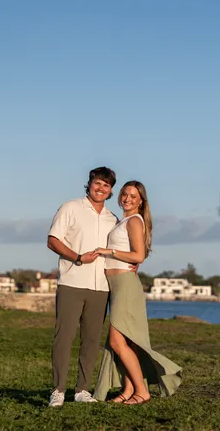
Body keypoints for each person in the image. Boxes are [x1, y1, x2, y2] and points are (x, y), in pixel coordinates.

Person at [92, 180, 183, 405]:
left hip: (125, 286)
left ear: (141, 201)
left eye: (133, 196)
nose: (128, 199)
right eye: (125, 194)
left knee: (116, 341)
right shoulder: (122, 220)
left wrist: (108, 251)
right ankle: (128, 390)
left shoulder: (134, 220)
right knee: (129, 341)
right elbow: (135, 254)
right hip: (117, 285)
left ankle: (142, 391)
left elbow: (138, 256)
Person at [46, 166, 127, 407]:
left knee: (91, 340)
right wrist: (78, 257)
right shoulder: (70, 207)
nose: (101, 188)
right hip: (72, 282)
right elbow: (52, 240)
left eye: (106, 185)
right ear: (89, 183)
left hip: (102, 287)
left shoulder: (113, 219)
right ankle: (58, 390)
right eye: (97, 183)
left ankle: (82, 390)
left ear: (111, 190)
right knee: (64, 337)